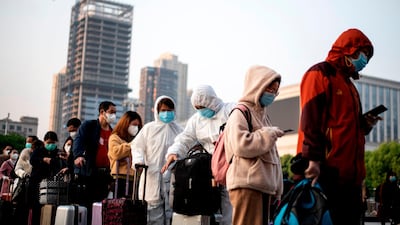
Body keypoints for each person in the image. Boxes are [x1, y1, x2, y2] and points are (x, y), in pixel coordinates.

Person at [296, 28, 380, 225]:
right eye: (364, 53)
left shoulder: (349, 85)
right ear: (350, 49)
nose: (365, 60)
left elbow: (344, 127)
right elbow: (311, 121)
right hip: (326, 173)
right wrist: (312, 160)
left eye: (368, 56)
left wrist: (364, 125)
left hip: (350, 178)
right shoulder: (320, 74)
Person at [162, 85, 236, 225]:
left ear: (211, 101)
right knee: (211, 212)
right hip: (211, 172)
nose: (200, 111)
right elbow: (185, 139)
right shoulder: (196, 120)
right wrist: (174, 152)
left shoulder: (231, 110)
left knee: (231, 212)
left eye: (202, 106)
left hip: (233, 168)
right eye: (197, 108)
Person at [223, 65, 284, 225]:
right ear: (257, 85)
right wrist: (267, 134)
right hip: (247, 185)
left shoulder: (263, 116)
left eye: (275, 90)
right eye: (269, 88)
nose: (272, 94)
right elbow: (240, 145)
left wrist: (277, 188)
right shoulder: (240, 112)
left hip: (262, 187)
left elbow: (273, 157)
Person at [132, 96, 183, 225]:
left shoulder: (179, 130)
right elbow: (137, 147)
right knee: (152, 217)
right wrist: (139, 161)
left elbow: (184, 149)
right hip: (151, 178)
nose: (167, 113)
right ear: (157, 111)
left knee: (171, 215)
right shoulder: (149, 129)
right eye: (164, 110)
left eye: (170, 110)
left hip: (172, 179)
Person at [73, 101, 116, 224]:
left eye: (115, 113)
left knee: (101, 206)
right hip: (89, 173)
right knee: (86, 206)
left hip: (105, 175)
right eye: (111, 112)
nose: (114, 115)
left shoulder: (113, 132)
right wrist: (79, 155)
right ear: (102, 112)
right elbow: (78, 141)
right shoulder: (89, 126)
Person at [29, 131, 68, 225]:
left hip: (52, 184)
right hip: (37, 183)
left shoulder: (57, 153)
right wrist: (43, 160)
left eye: (53, 143)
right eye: (49, 142)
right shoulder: (39, 151)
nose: (51, 145)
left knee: (51, 207)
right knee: (37, 208)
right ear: (44, 141)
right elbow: (32, 161)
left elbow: (60, 164)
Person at [108, 111, 143, 198]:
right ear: (126, 124)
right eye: (134, 125)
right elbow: (115, 153)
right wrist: (133, 144)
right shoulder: (115, 137)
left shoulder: (138, 139)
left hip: (136, 179)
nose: (136, 128)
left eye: (138, 126)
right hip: (120, 179)